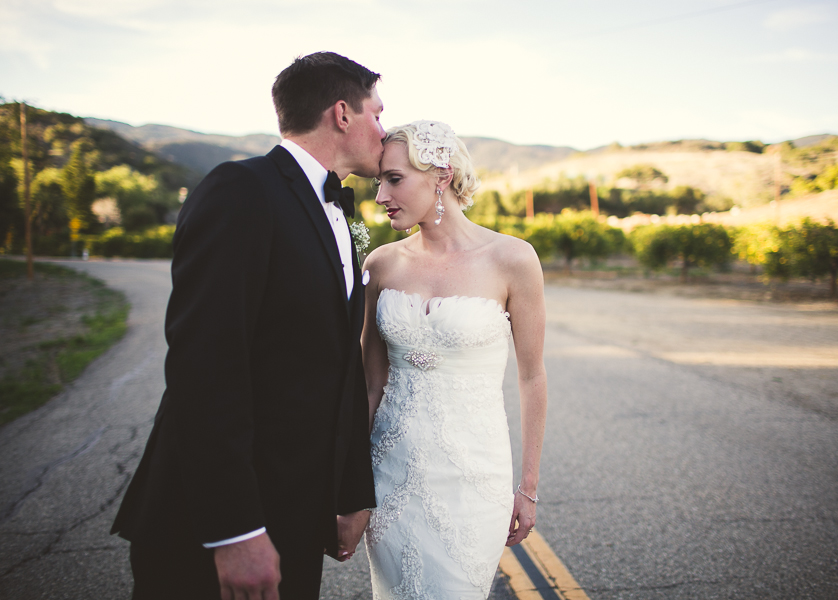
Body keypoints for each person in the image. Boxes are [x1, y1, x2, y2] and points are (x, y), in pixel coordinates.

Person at [110, 51, 385, 599]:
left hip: (299, 515)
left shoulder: (343, 214)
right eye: (378, 113)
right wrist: (234, 530)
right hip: (216, 527)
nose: (385, 129)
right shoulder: (241, 190)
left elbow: (339, 365)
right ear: (342, 114)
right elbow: (204, 367)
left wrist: (350, 492)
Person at [360, 121, 547, 598]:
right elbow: (369, 384)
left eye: (394, 179)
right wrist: (348, 487)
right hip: (389, 476)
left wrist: (527, 488)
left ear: (441, 175)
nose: (381, 195)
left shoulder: (513, 259)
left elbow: (532, 377)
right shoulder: (380, 265)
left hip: (473, 478)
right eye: (378, 180)